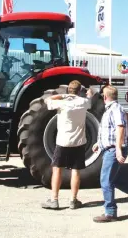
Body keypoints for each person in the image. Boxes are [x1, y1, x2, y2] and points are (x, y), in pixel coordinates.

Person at [41, 80, 91, 210]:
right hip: (79, 142)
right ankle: (73, 200)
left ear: (69, 90)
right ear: (80, 91)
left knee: (57, 169)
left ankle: (54, 200)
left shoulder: (62, 103)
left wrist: (62, 96)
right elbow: (89, 98)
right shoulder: (84, 102)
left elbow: (47, 100)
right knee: (76, 171)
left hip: (63, 142)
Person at [92, 85, 128, 223]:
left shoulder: (115, 109)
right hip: (110, 148)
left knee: (106, 180)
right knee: (111, 179)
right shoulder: (110, 110)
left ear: (105, 97)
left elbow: (120, 128)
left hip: (113, 150)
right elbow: (109, 130)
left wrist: (118, 149)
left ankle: (110, 213)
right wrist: (99, 143)